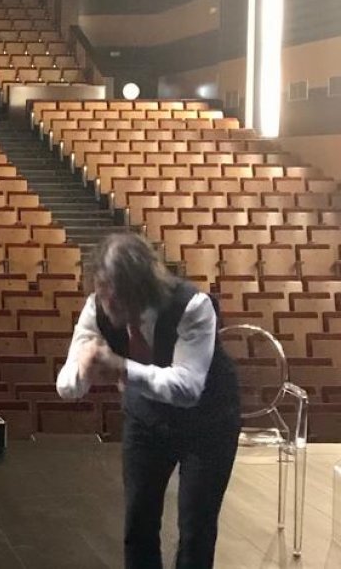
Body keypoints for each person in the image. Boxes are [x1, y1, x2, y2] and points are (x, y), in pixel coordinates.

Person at [56, 232, 240, 569]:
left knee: (196, 528)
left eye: (118, 296)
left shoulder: (193, 306)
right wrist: (83, 367)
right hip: (146, 420)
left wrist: (123, 368)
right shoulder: (96, 307)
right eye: (103, 290)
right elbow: (67, 387)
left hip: (208, 423)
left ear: (142, 288)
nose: (108, 303)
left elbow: (187, 388)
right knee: (138, 523)